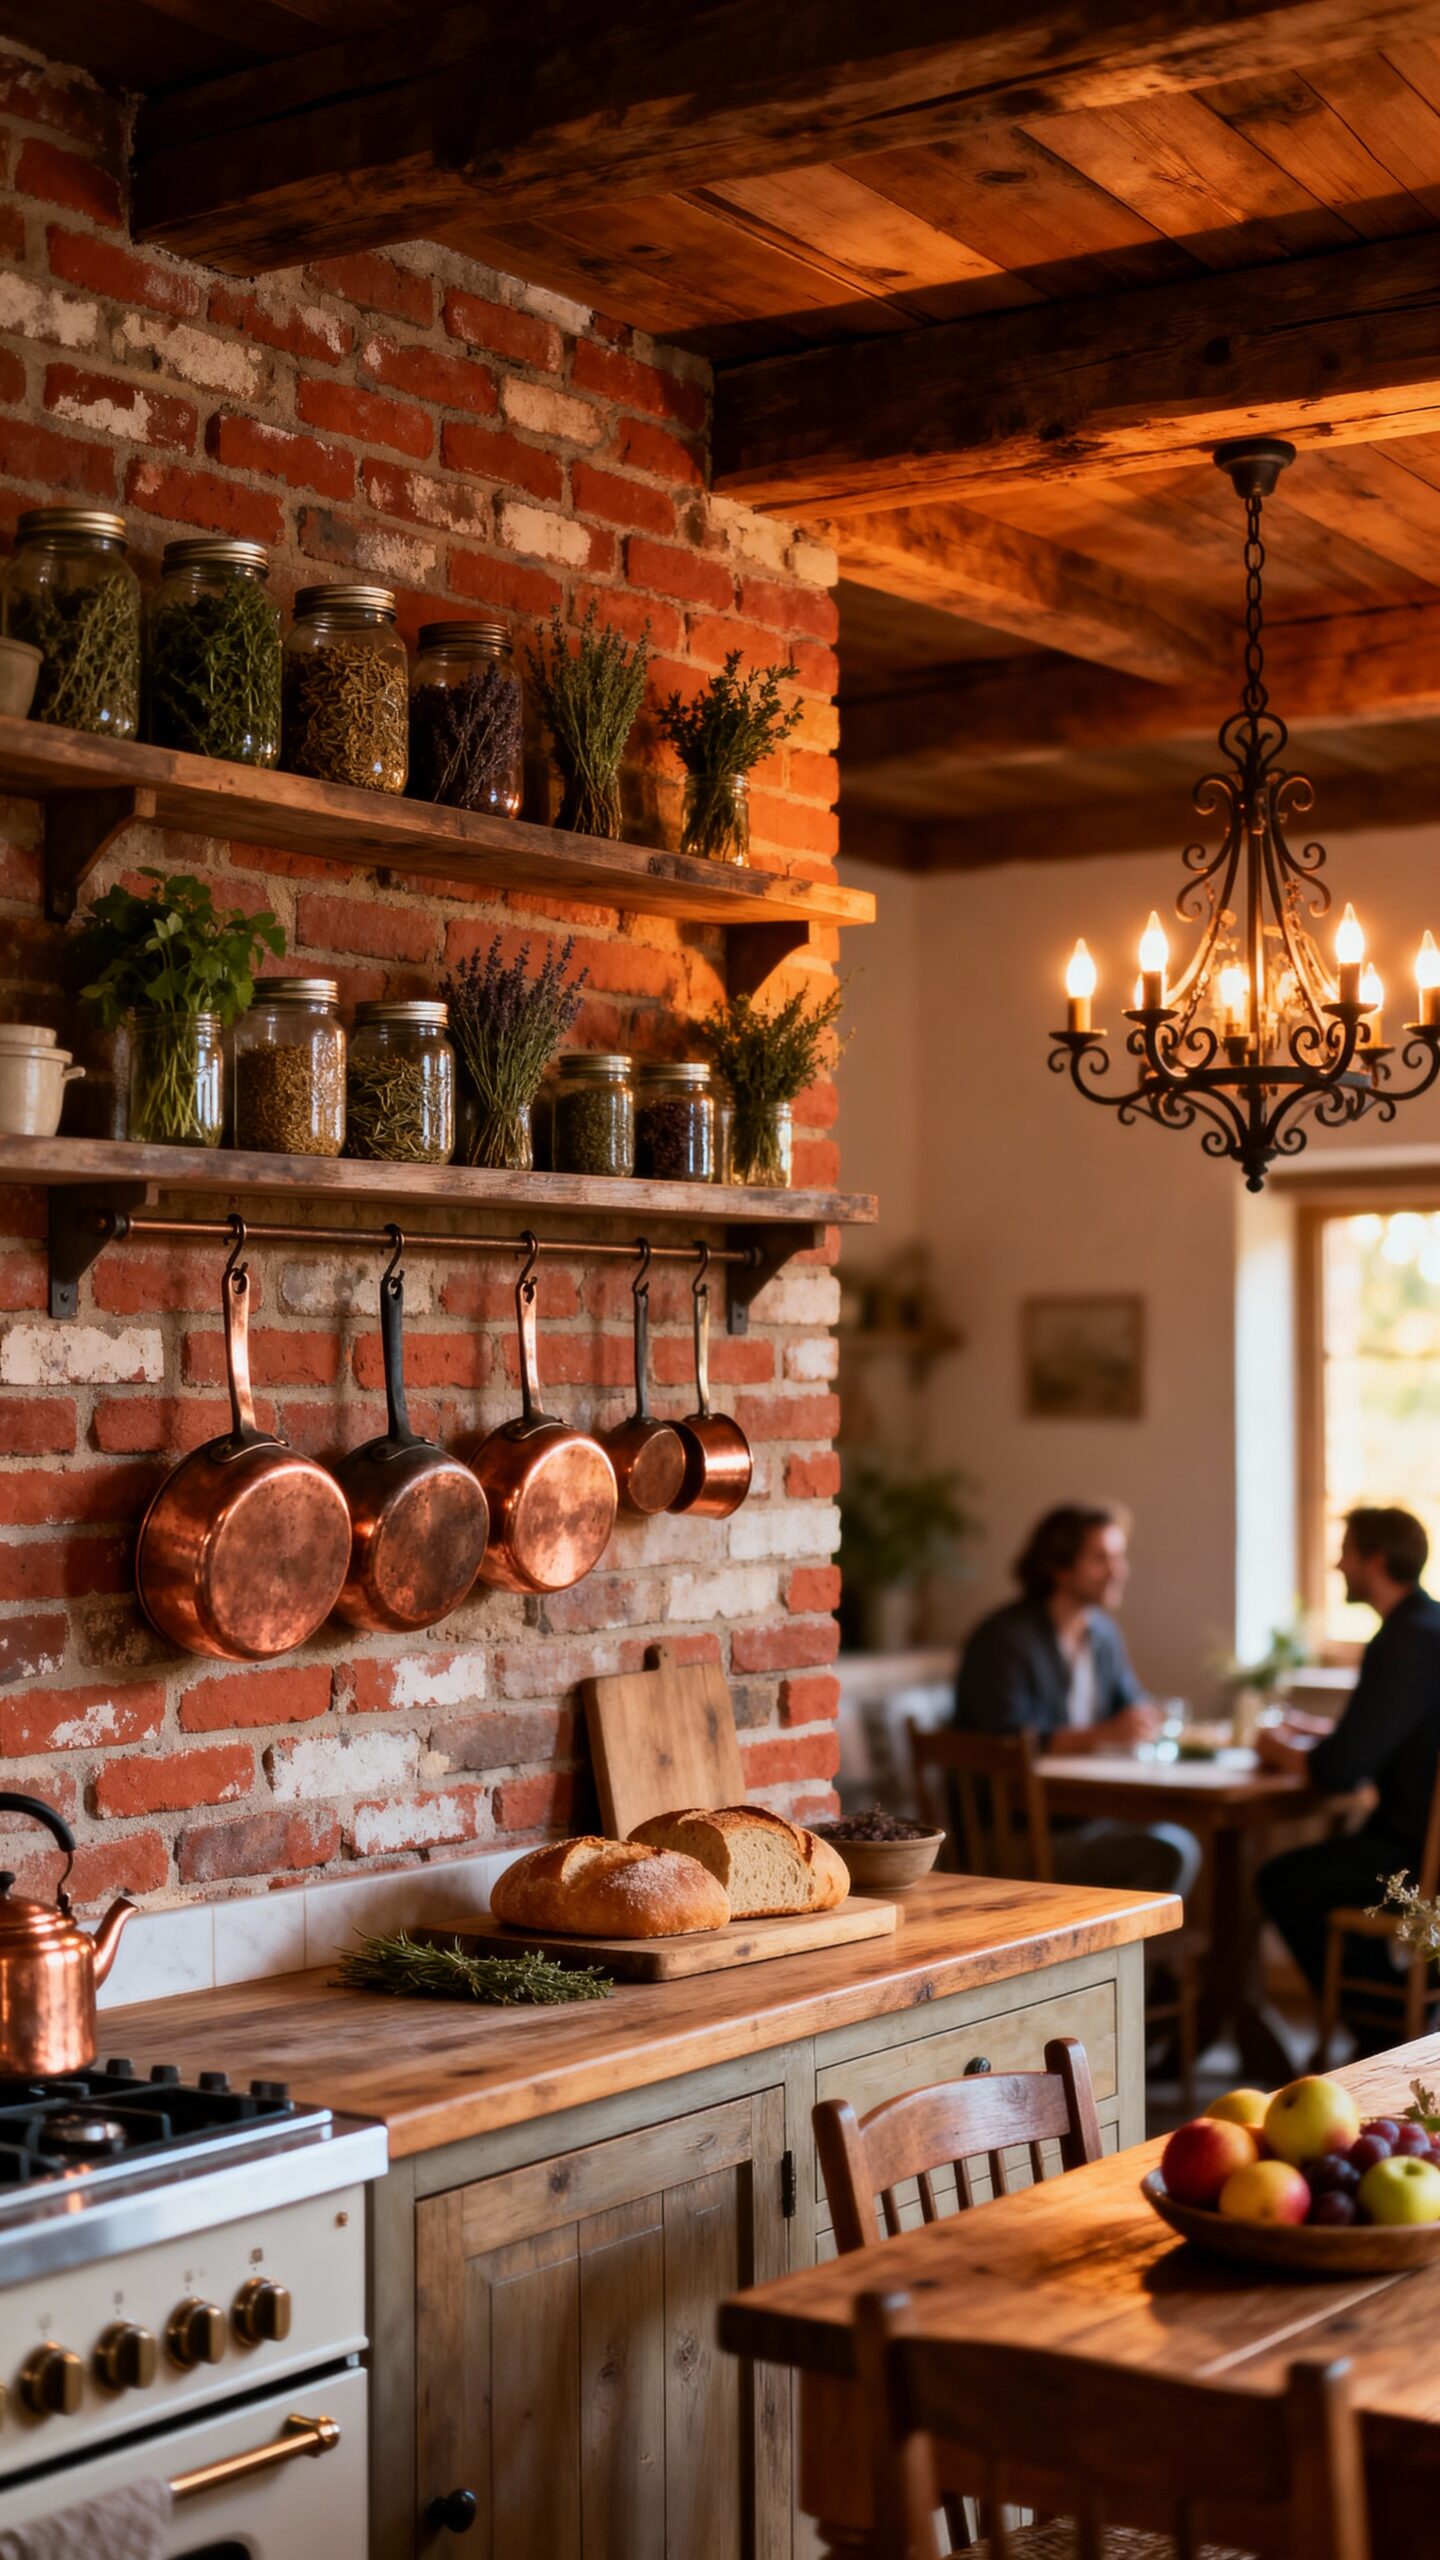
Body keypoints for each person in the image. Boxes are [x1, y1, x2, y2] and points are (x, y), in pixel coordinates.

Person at [1257, 1505, 1440, 2051]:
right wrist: (1319, 1731)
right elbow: (1388, 1733)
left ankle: (1382, 2028)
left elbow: (1341, 1769)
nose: (1338, 1564)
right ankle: (1394, 2012)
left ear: (1374, 1560)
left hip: (1411, 1860)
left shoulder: (1405, 1641)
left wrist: (1276, 1746)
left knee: (1282, 1880)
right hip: (1422, 1845)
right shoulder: (1428, 1627)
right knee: (1319, 1865)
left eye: (1346, 1551)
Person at [953, 1503, 1200, 1899]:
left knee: (1177, 1839)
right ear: (1059, 1566)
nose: (1119, 1570)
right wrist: (1104, 1733)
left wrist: (1142, 1722)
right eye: (1101, 1558)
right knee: (1171, 1849)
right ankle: (1134, 1962)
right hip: (1011, 1832)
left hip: (1082, 1817)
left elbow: (1131, 1709)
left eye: (1119, 1557)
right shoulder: (1004, 1638)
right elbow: (1005, 1740)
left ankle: (1128, 1961)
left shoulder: (1102, 1635)